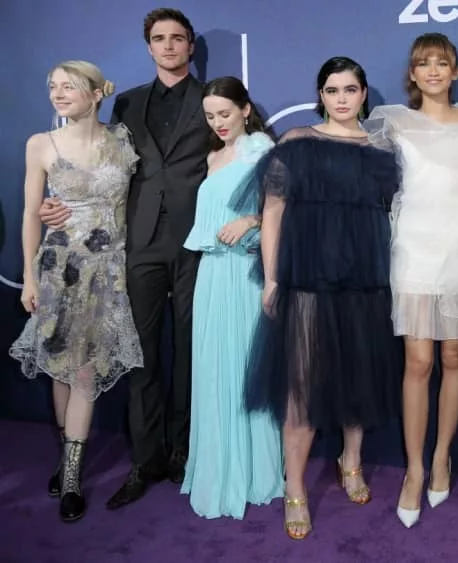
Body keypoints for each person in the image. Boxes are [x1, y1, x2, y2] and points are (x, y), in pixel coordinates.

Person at [38, 8, 211, 509]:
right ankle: (145, 460)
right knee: (141, 357)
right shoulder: (128, 104)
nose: (169, 46)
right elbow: (103, 170)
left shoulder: (214, 98)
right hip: (136, 243)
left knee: (189, 353)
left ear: (190, 46)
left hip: (196, 240)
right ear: (149, 47)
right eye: (159, 39)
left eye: (178, 39)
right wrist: (60, 207)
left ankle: (184, 453)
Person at [240, 56, 402, 540]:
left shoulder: (381, 150)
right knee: (301, 389)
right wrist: (272, 278)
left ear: (364, 93)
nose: (342, 98)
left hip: (364, 279)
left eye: (350, 89)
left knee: (359, 376)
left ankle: (349, 460)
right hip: (306, 279)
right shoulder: (297, 143)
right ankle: (295, 489)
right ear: (321, 96)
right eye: (332, 90)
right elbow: (272, 212)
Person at [364, 32, 458, 528]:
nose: (434, 70)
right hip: (412, 249)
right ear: (412, 74)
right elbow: (350, 148)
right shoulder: (393, 121)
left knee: (454, 356)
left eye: (442, 63)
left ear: (455, 72)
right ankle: (414, 469)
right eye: (424, 64)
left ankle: (442, 458)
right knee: (417, 361)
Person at [10, 60, 142, 523]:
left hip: (107, 270)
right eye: (52, 87)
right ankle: (69, 458)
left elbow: (131, 206)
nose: (58, 94)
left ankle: (70, 475)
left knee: (86, 370)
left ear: (95, 93)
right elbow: (30, 214)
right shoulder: (40, 144)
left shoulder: (122, 141)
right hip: (57, 268)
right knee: (63, 369)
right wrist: (27, 275)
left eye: (68, 86)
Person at [178, 76, 283, 520]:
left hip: (244, 274)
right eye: (210, 116)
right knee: (213, 368)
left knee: (244, 370)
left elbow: (283, 205)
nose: (218, 122)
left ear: (245, 109)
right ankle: (216, 468)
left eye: (225, 113)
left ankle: (254, 471)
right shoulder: (212, 156)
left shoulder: (259, 148)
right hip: (211, 275)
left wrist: (251, 221)